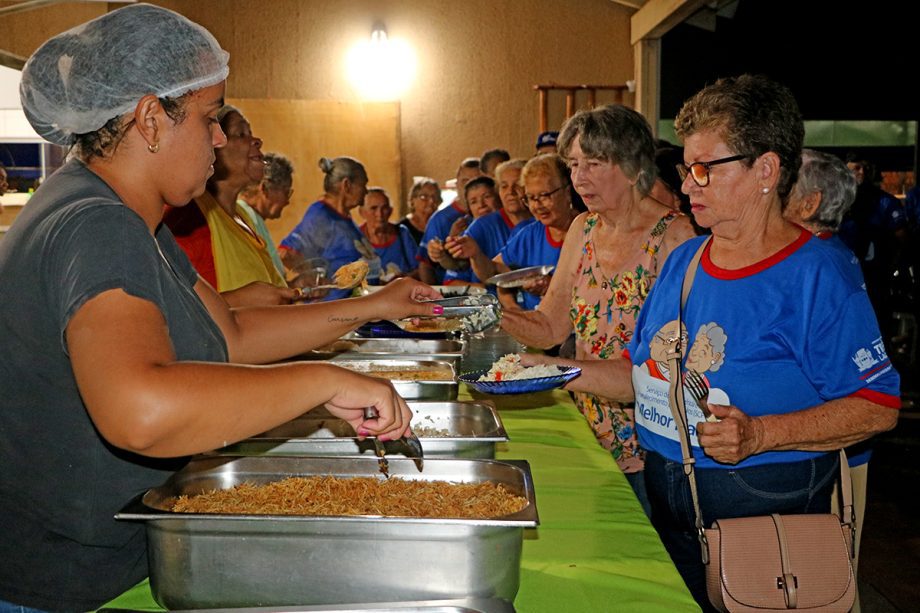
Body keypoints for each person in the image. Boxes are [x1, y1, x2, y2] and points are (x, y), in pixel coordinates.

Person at [0, 6, 441, 610]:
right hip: (60, 580)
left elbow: (228, 332)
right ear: (151, 118)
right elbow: (142, 412)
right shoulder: (98, 226)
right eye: (209, 118)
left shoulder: (125, 214)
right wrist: (318, 381)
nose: (217, 139)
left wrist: (366, 311)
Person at [627, 74, 900, 610]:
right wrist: (544, 367)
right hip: (671, 511)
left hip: (765, 518)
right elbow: (642, 370)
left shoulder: (816, 274)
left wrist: (760, 433)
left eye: (705, 170)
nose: (687, 186)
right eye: (687, 169)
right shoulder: (685, 261)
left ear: (766, 171)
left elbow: (879, 406)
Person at [499, 106, 695, 513]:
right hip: (587, 421)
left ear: (631, 165)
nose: (578, 178)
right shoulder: (583, 228)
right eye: (573, 164)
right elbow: (551, 326)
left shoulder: (674, 236)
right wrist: (482, 313)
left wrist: (544, 369)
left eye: (593, 163)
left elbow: (664, 365)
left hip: (650, 438)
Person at [784, 147, 872, 611]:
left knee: (824, 580)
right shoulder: (825, 253)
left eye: (783, 188)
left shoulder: (816, 262)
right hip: (832, 447)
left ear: (810, 203)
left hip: (835, 449)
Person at [163, 105, 292, 307]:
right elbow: (175, 307)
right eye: (241, 134)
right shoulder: (190, 216)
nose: (257, 141)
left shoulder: (242, 216)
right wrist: (239, 300)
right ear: (214, 145)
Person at [279, 156, 382, 300]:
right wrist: (317, 279)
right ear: (346, 185)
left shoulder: (343, 218)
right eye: (363, 185)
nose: (365, 192)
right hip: (335, 313)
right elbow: (287, 253)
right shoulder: (321, 215)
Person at [490, 154, 580, 311]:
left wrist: (551, 289)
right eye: (531, 198)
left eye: (544, 196)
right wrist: (517, 312)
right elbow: (500, 277)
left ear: (567, 192)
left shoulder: (590, 230)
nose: (537, 205)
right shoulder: (529, 235)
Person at [839, 154, 908, 342]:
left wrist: (894, 266)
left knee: (876, 327)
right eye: (855, 168)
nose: (861, 173)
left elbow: (901, 237)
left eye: (865, 168)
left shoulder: (884, 202)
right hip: (843, 277)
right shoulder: (837, 202)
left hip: (875, 277)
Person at [444, 159, 535, 285]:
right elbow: (456, 273)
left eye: (517, 184)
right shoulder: (480, 226)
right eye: (504, 186)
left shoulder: (541, 223)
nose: (510, 192)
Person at [417, 157, 481, 284]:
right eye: (465, 181)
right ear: (456, 183)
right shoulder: (440, 219)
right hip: (452, 291)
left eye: (476, 182)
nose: (470, 187)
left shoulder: (490, 215)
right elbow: (425, 264)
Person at [237, 151, 295, 277]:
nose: (287, 201)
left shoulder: (256, 218)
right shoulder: (244, 217)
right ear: (264, 188)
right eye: (286, 193)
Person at [441, 175, 502, 286]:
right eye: (474, 202)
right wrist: (482, 290)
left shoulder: (516, 228)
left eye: (487, 197)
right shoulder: (466, 237)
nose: (481, 205)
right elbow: (450, 282)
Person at [359, 187, 418, 281]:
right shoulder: (355, 237)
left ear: (390, 211)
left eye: (385, 208)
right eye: (373, 208)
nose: (380, 213)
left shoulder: (402, 233)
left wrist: (402, 279)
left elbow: (419, 270)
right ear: (362, 212)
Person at [397, 176, 441, 244]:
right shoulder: (401, 228)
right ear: (412, 200)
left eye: (435, 197)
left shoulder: (443, 226)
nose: (431, 201)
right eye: (424, 197)